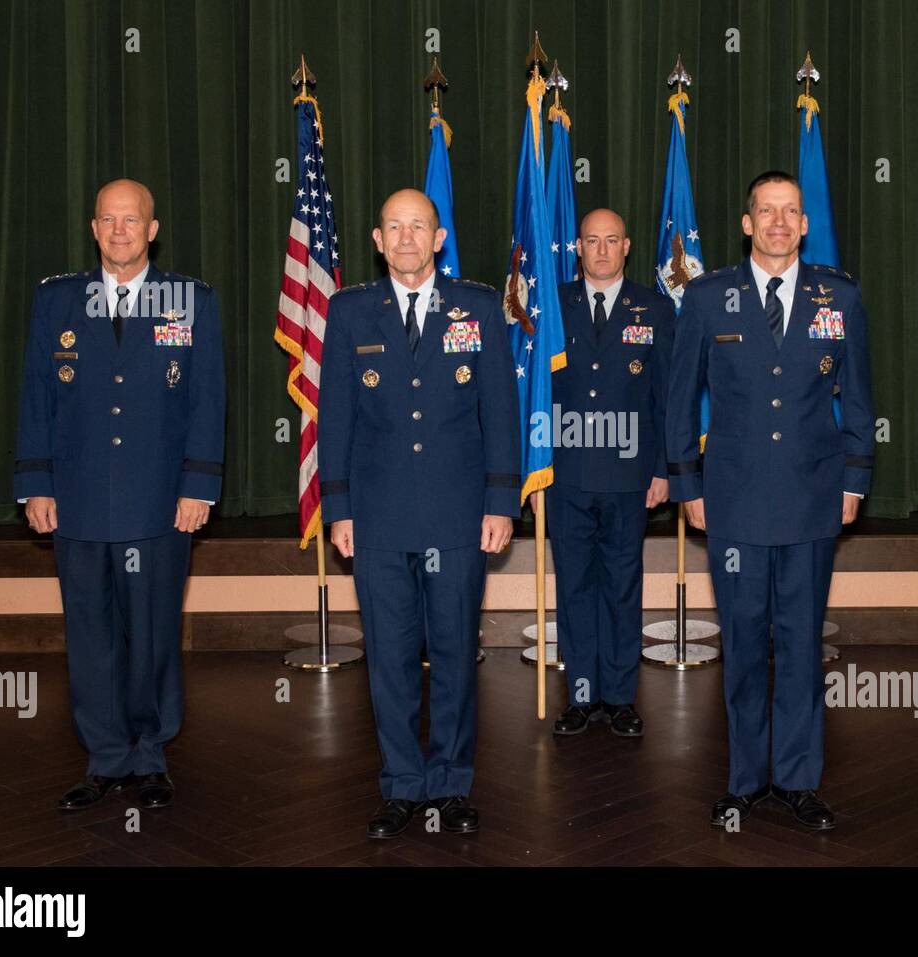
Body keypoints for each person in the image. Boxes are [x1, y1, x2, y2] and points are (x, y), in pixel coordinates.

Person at [666, 171, 875, 830]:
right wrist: (688, 487)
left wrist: (854, 480)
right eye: (767, 210)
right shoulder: (707, 298)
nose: (780, 221)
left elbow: (861, 397)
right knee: (746, 644)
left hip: (814, 498)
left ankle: (798, 777)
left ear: (805, 224)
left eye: (791, 211)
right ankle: (745, 778)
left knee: (802, 643)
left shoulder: (839, 296)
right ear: (747, 222)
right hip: (734, 502)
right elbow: (677, 403)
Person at [15, 178, 225, 811]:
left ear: (152, 230)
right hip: (76, 499)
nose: (119, 230)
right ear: (93, 228)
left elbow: (206, 398)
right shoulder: (58, 301)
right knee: (90, 632)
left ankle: (151, 754)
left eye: (130, 220)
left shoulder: (188, 300)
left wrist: (199, 485)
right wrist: (35, 485)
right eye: (108, 220)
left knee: (154, 630)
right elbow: (35, 397)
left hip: (159, 501)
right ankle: (104, 757)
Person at [319, 188, 521, 839]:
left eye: (420, 228)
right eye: (394, 228)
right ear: (377, 240)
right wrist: (339, 507)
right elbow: (337, 418)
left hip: (460, 515)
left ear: (439, 239)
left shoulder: (480, 307)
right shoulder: (350, 313)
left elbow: (500, 414)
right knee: (391, 655)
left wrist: (500, 501)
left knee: (457, 653)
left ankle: (451, 782)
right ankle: (403, 783)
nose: (407, 238)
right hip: (376, 518)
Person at [542, 208, 673, 737]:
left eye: (611, 240)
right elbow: (535, 395)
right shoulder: (554, 306)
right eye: (591, 241)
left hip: (630, 475)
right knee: (574, 586)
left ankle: (619, 696)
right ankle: (579, 696)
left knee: (622, 585)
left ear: (627, 246)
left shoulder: (657, 309)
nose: (600, 250)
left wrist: (664, 470)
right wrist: (537, 472)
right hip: (567, 473)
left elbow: (667, 397)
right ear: (577, 248)